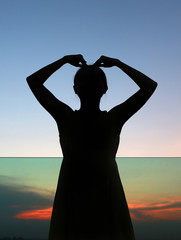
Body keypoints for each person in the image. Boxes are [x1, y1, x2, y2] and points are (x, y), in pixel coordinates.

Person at [27, 55, 157, 240]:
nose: (89, 82)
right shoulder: (66, 117)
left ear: (105, 89)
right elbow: (33, 82)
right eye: (84, 78)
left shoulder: (113, 119)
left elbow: (149, 86)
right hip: (74, 194)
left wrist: (119, 63)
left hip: (105, 193)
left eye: (95, 78)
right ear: (75, 89)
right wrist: (63, 60)